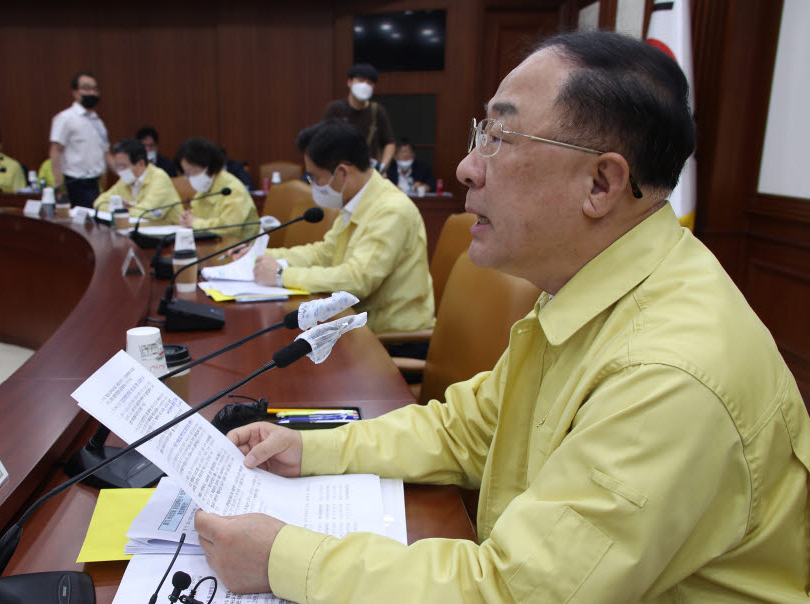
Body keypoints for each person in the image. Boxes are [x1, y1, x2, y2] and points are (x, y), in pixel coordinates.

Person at [193, 31, 810, 603]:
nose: (467, 166)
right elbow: (467, 430)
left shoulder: (670, 372)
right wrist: (308, 449)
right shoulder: (585, 289)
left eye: (500, 139)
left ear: (601, 182)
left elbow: (515, 594)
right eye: (478, 135)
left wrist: (281, 557)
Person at [250, 120, 434, 335]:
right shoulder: (357, 201)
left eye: (316, 177)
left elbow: (357, 280)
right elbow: (325, 253)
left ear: (342, 173)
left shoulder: (391, 210)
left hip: (391, 338)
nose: (313, 186)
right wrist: (259, 254)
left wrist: (282, 275)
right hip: (353, 324)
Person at [175, 137, 259, 239]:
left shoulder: (232, 189)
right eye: (188, 174)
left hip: (242, 250)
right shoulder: (204, 190)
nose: (191, 178)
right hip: (214, 246)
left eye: (194, 172)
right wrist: (187, 218)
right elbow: (196, 217)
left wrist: (195, 223)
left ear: (210, 165)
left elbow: (229, 228)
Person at [49, 71, 111, 207]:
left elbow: (106, 154)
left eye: (95, 89)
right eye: (86, 88)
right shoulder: (66, 118)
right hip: (76, 182)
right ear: (75, 92)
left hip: (96, 182)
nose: (92, 93)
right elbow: (55, 151)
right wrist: (59, 185)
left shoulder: (98, 121)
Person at [322, 63, 396, 176]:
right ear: (349, 82)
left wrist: (382, 167)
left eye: (369, 82)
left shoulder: (377, 111)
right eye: (360, 80)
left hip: (369, 172)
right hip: (340, 172)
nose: (364, 85)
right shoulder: (335, 109)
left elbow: (389, 143)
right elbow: (323, 141)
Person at [93, 138, 181, 223]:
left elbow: (145, 213)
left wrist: (120, 209)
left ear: (140, 163)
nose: (119, 171)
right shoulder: (125, 180)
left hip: (168, 235)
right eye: (117, 166)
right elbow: (99, 203)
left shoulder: (159, 178)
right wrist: (118, 207)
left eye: (123, 166)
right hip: (138, 231)